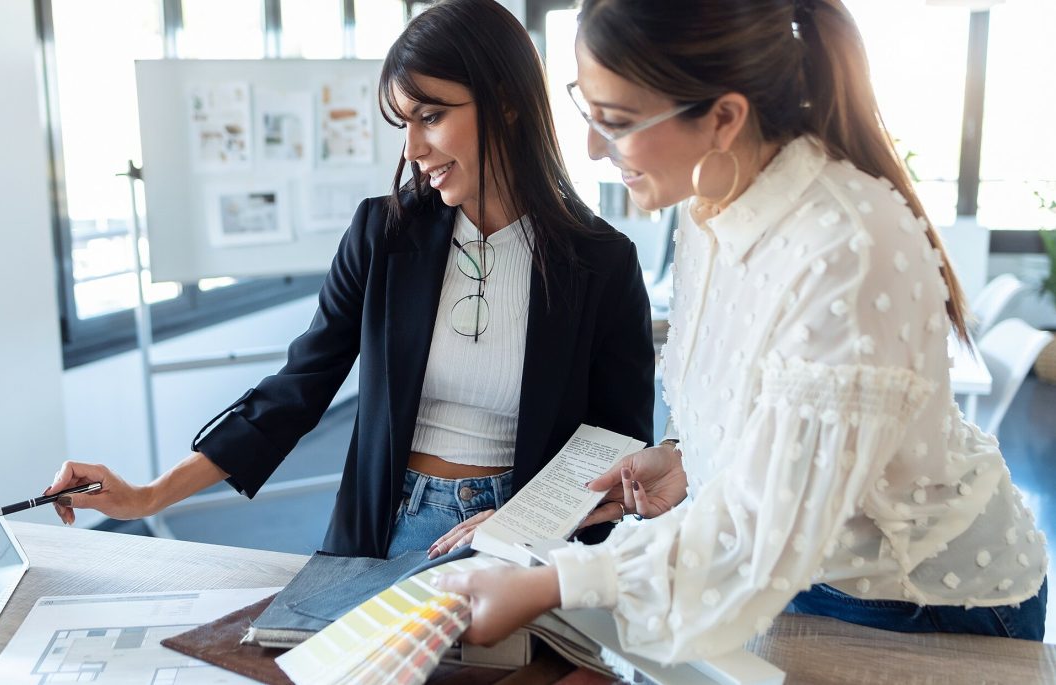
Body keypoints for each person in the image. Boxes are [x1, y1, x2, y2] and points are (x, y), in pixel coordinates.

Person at [435, 0, 1048, 657]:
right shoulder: (711, 203)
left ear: (724, 117)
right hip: (804, 567)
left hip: (921, 600)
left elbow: (758, 539)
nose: (589, 146)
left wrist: (549, 583)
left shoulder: (845, 246)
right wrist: (684, 458)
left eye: (615, 121)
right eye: (586, 107)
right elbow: (756, 417)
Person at [44, 0, 654, 560]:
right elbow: (297, 388)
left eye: (432, 116)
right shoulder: (382, 234)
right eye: (403, 123)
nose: (413, 147)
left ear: (506, 100)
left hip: (521, 536)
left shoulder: (601, 262)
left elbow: (616, 444)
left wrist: (525, 525)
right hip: (383, 521)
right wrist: (149, 496)